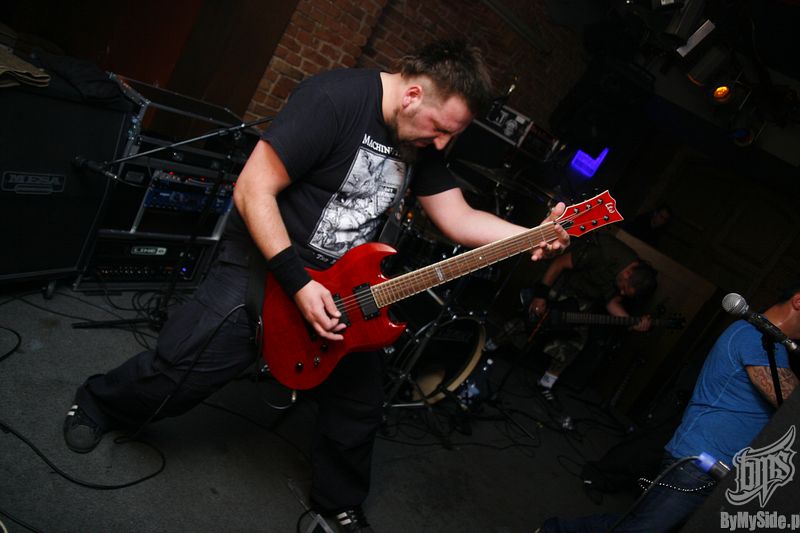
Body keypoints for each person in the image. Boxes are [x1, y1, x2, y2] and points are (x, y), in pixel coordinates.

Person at [62, 40, 569, 533]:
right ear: (413, 95)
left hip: (345, 290)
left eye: (450, 136)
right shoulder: (334, 100)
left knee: (359, 404)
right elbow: (252, 188)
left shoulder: (421, 139)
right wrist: (298, 283)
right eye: (439, 129)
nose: (440, 144)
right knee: (181, 370)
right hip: (267, 264)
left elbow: (457, 217)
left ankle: (339, 501)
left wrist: (533, 234)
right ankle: (98, 403)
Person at [537, 282, 800, 532]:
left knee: (640, 527)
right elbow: (792, 405)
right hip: (700, 463)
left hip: (717, 466)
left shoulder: (771, 345)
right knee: (640, 530)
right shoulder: (758, 339)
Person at [528, 230, 657, 403]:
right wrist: (541, 295)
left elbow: (612, 302)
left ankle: (546, 383)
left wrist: (632, 322)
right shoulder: (606, 253)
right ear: (627, 274)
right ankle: (493, 344)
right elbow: (559, 263)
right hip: (562, 284)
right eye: (624, 288)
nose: (621, 292)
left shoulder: (628, 275)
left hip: (582, 298)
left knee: (576, 340)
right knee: (531, 320)